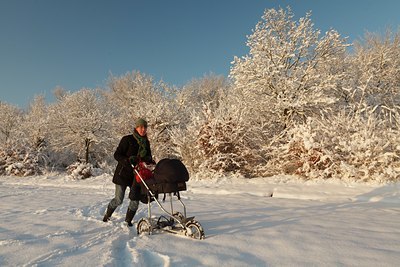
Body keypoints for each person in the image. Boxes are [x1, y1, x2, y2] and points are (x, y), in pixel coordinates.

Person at [103, 118, 153, 226]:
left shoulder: (146, 143)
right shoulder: (127, 139)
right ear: (136, 128)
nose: (143, 129)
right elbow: (117, 154)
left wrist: (149, 160)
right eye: (141, 127)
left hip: (137, 175)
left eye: (145, 127)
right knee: (118, 199)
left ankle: (128, 220)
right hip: (123, 173)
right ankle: (107, 215)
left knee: (135, 199)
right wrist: (127, 160)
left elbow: (149, 156)